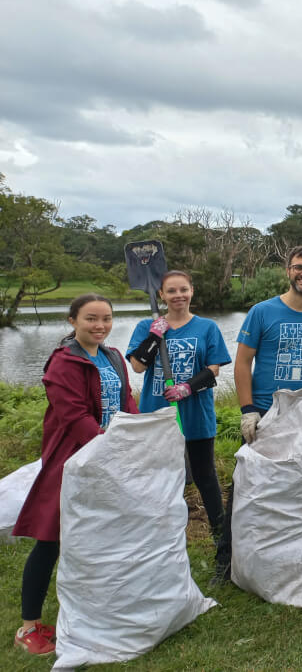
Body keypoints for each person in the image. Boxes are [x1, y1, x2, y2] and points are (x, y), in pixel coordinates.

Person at [12, 295, 138, 655]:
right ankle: (28, 627)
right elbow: (74, 416)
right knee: (50, 538)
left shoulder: (113, 356)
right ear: (72, 321)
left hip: (111, 457)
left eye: (107, 319)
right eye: (91, 319)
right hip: (73, 461)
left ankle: (97, 610)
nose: (100, 326)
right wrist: (107, 447)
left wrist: (134, 435)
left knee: (104, 534)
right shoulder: (63, 363)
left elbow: (125, 400)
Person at [212, 246, 302, 584]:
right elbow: (242, 363)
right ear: (288, 271)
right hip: (266, 412)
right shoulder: (262, 312)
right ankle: (226, 559)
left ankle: (292, 554)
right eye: (298, 268)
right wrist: (248, 409)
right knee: (246, 485)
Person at [127, 270, 232, 539]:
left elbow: (214, 369)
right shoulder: (145, 327)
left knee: (204, 476)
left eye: (183, 289)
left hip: (196, 414)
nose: (178, 296)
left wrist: (187, 388)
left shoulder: (207, 327)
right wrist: (153, 337)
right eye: (171, 291)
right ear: (161, 295)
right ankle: (159, 535)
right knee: (158, 478)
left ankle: (220, 536)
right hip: (157, 415)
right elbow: (138, 367)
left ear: (192, 291)